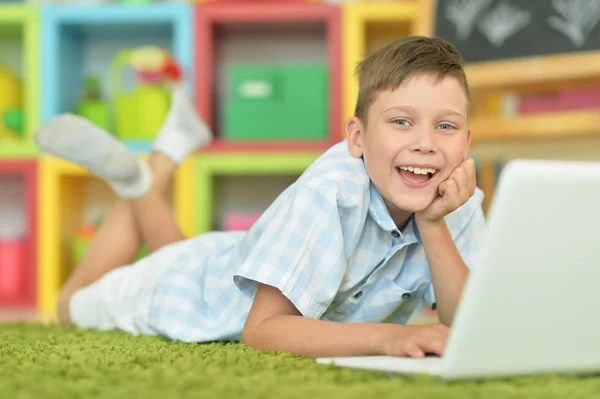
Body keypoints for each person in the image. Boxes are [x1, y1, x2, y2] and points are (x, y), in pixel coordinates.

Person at [35, 36, 485, 360]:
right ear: (357, 137)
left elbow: (465, 322)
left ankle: (167, 153)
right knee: (69, 307)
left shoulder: (455, 198)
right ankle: (139, 180)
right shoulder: (330, 192)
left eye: (445, 126)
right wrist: (385, 339)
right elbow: (263, 330)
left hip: (220, 265)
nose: (426, 143)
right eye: (402, 122)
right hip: (184, 294)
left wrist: (432, 222)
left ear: (466, 141)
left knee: (182, 257)